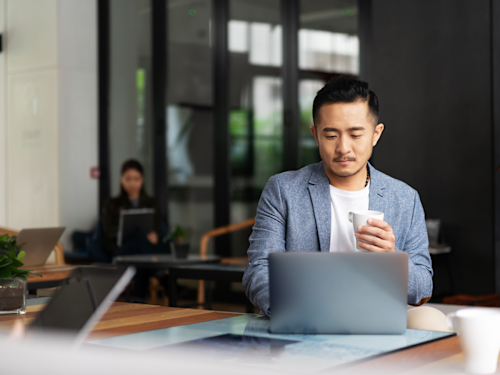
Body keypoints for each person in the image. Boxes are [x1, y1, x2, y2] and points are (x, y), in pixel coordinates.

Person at [242, 75, 433, 317]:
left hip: (375, 321)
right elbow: (258, 271)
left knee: (430, 320)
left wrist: (392, 259)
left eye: (355, 135)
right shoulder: (283, 190)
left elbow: (423, 287)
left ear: (376, 134)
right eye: (331, 136)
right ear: (315, 135)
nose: (343, 148)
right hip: (305, 319)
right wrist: (299, 311)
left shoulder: (405, 198)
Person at [101, 159, 166, 302]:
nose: (132, 184)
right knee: (141, 245)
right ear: (121, 179)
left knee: (140, 255)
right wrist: (124, 232)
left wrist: (155, 236)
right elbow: (108, 234)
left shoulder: (152, 203)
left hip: (143, 251)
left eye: (136, 179)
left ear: (142, 180)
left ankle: (139, 300)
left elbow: (158, 232)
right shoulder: (111, 204)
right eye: (128, 179)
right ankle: (159, 273)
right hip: (121, 251)